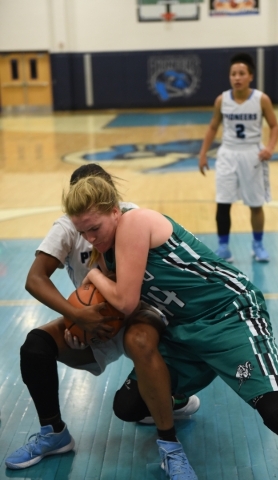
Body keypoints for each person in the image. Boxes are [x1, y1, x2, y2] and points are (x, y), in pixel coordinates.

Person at [61, 175, 278, 479]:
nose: (90, 238)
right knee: (128, 406)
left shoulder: (135, 222)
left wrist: (91, 277)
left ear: (115, 211)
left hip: (229, 314)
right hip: (184, 330)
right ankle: (179, 396)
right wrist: (80, 328)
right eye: (82, 232)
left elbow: (126, 302)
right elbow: (112, 312)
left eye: (95, 228)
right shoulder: (107, 255)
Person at [5, 164, 200, 472]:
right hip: (93, 319)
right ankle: (54, 433)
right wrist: (77, 315)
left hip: (137, 313)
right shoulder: (68, 227)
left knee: (128, 404)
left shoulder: (133, 217)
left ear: (110, 203)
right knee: (35, 347)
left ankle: (170, 435)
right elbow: (35, 279)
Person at [199, 52, 278, 263]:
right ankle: (223, 248)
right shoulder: (222, 100)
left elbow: (274, 126)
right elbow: (212, 127)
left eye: (241, 73)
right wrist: (203, 154)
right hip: (227, 153)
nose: (237, 77)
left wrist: (270, 147)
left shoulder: (262, 99)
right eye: (233, 73)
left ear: (250, 76)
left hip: (252, 154)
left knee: (255, 204)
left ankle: (258, 245)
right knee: (223, 202)